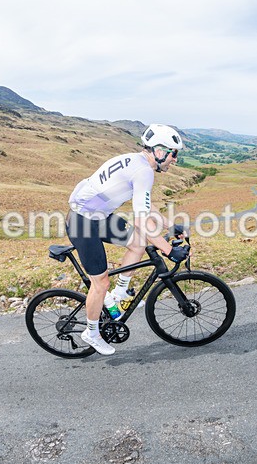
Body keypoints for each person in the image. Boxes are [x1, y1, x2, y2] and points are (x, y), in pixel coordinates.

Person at [66, 124, 190, 355]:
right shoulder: (143, 171)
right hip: (82, 223)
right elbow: (142, 222)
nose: (175, 160)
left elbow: (144, 205)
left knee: (138, 242)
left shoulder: (137, 161)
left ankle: (120, 293)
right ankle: (91, 333)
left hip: (98, 216)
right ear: (160, 151)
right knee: (100, 283)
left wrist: (168, 226)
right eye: (174, 154)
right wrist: (168, 251)